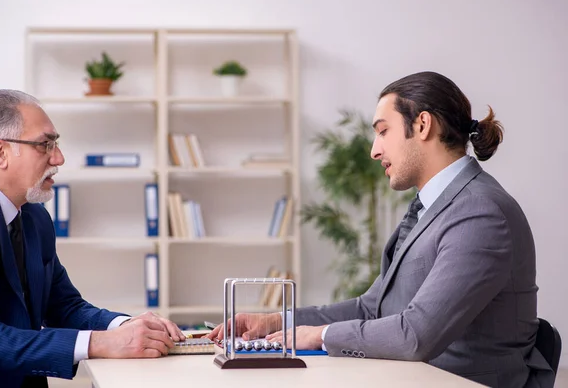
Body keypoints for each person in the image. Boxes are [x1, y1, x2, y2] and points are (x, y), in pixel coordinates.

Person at [208, 71, 553, 387]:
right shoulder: (434, 207)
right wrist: (273, 323)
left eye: (383, 131)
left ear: (422, 126)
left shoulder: (480, 213)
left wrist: (320, 335)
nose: (374, 150)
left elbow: (416, 335)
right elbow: (371, 308)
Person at [0, 89, 186, 388]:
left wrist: (126, 326)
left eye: (55, 144)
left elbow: (64, 306)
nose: (59, 157)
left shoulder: (35, 217)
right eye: (45, 145)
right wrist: (100, 343)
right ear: (0, 152)